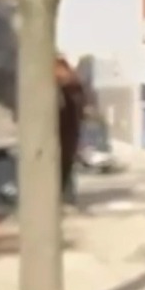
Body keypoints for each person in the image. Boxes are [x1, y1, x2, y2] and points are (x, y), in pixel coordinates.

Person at [54, 56, 87, 207]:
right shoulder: (71, 87)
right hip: (66, 131)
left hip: (67, 130)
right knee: (64, 163)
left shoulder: (70, 87)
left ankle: (65, 197)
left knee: (64, 163)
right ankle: (65, 197)